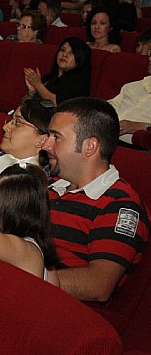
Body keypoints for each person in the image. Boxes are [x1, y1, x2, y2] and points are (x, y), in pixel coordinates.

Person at [43, 97, 149, 302]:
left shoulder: (120, 205)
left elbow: (99, 284)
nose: (45, 144)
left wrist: (26, 276)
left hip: (57, 305)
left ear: (90, 146)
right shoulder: (50, 185)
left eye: (56, 137)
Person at [24, 37, 91, 106]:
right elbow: (23, 104)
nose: (64, 55)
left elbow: (57, 104)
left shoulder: (78, 82)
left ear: (79, 58)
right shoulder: (48, 77)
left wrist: (38, 85)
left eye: (71, 53)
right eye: (62, 50)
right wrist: (32, 92)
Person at [108, 45, 151, 144]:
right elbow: (110, 106)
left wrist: (141, 126)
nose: (150, 59)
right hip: (103, 134)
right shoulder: (132, 86)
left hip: (136, 145)